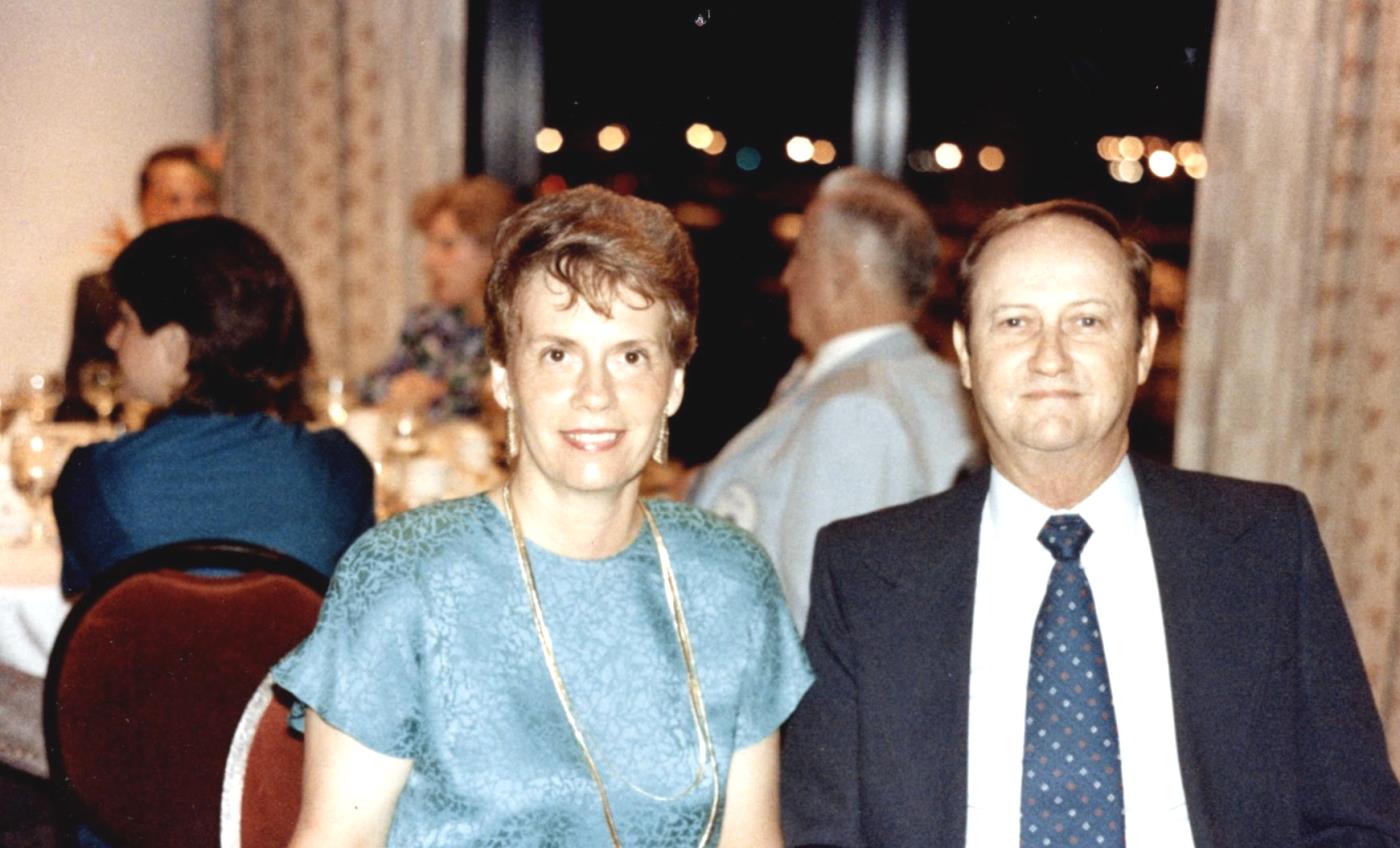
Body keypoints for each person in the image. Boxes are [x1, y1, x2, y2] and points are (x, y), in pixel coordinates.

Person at [781, 199, 1400, 846]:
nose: (1050, 357)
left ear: (1143, 347)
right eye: (1015, 321)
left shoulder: (1265, 544)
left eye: (1087, 321)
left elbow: (1357, 824)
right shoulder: (864, 574)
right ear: (964, 351)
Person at [274, 185, 812, 846]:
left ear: (673, 384)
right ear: (504, 378)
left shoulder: (730, 579)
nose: (595, 395)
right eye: (558, 354)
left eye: (631, 357)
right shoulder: (402, 577)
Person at [689, 167, 977, 630]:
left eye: (800, 256)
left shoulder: (859, 412)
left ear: (841, 275)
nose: (787, 277)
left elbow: (819, 618)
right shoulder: (924, 383)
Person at [53, 217, 375, 593]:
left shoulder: (93, 476)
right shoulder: (341, 465)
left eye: (125, 320)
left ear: (175, 345)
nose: (112, 338)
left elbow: (94, 606)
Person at [58, 143, 221, 421]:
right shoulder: (103, 291)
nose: (189, 212)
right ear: (145, 206)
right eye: (173, 200)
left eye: (202, 199)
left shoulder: (237, 292)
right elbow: (80, 399)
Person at [358, 175, 519, 419]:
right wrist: (400, 390)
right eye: (429, 244)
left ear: (493, 252)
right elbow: (368, 387)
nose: (428, 261)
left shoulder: (520, 333)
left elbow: (509, 405)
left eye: (446, 245)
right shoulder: (427, 323)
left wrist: (438, 392)